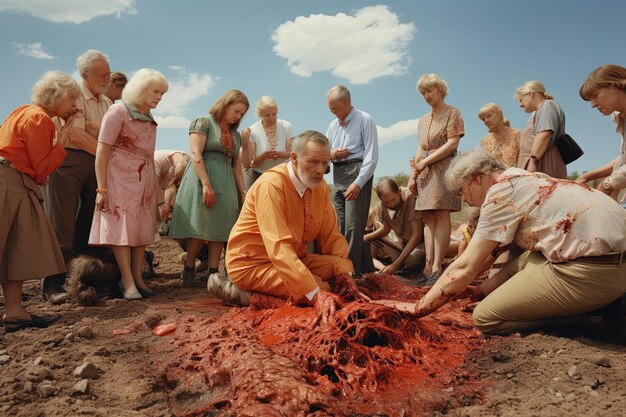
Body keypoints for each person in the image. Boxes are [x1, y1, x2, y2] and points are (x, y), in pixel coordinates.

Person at [375, 148, 626, 335]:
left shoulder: (500, 192)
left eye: (462, 190)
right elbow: (494, 254)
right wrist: (479, 290)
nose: (465, 199)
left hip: (595, 272)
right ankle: (597, 302)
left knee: (485, 318)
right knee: (527, 258)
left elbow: (466, 266)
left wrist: (419, 307)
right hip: (613, 265)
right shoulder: (526, 178)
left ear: (476, 178)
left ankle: (582, 317)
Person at [218, 130, 357, 323]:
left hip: (295, 258)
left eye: (325, 163)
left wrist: (344, 275)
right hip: (251, 264)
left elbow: (331, 235)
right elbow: (279, 248)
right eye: (313, 161)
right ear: (294, 158)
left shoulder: (320, 186)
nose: (320, 169)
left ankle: (308, 289)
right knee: (319, 290)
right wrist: (315, 294)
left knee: (342, 270)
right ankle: (238, 293)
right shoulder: (271, 185)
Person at [0, 71, 80, 331]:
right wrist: (64, 139)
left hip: (14, 181)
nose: (75, 106)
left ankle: (15, 311)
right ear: (56, 97)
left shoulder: (21, 111)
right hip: (10, 184)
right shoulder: (39, 118)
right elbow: (43, 167)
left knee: (14, 247)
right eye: (71, 99)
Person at [88, 68, 169, 300]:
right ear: (141, 89)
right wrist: (101, 188)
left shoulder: (150, 120)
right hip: (118, 177)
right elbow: (102, 151)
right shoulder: (118, 111)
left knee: (141, 229)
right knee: (121, 229)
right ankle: (127, 281)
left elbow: (150, 157)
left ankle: (138, 278)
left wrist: (157, 194)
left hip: (142, 179)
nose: (159, 98)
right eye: (156, 92)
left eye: (162, 94)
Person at [42, 49, 112, 303]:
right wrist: (108, 154)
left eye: (109, 73)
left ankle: (82, 280)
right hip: (69, 161)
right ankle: (51, 284)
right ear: (85, 75)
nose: (107, 78)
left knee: (89, 224)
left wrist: (104, 153)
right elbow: (77, 136)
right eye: (102, 74)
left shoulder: (106, 102)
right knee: (62, 222)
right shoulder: (73, 95)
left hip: (94, 163)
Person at [169, 90, 248, 287]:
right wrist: (206, 184)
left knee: (221, 228)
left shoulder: (236, 135)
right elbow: (196, 154)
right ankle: (188, 268)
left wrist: (242, 192)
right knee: (200, 227)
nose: (238, 116)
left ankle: (213, 273)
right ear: (225, 104)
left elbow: (236, 165)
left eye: (241, 114)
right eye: (236, 110)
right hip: (202, 178)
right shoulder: (203, 122)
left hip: (226, 183)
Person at [408, 73, 464, 285]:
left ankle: (437, 269)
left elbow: (452, 144)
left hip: (444, 169)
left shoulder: (453, 113)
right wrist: (414, 174)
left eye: (429, 91)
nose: (426, 95)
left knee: (441, 215)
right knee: (427, 218)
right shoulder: (422, 121)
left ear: (441, 90)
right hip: (424, 173)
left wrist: (425, 162)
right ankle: (427, 267)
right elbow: (420, 148)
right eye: (423, 93)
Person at [326, 85, 378, 274]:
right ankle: (364, 269)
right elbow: (326, 152)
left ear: (345, 101)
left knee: (353, 227)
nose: (332, 112)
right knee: (340, 226)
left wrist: (359, 182)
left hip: (357, 171)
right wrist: (332, 154)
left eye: (334, 108)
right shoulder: (332, 126)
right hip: (337, 174)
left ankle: (350, 274)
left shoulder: (365, 119)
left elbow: (372, 156)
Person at [576, 64, 626, 208]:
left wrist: (607, 184)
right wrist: (587, 177)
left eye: (595, 96)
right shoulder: (622, 119)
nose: (592, 105)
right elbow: (623, 159)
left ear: (615, 86)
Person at [364, 179, 425, 275]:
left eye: (393, 199)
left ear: (399, 191)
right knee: (368, 241)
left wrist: (395, 265)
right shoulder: (382, 205)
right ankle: (382, 268)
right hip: (402, 244)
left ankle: (450, 248)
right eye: (387, 202)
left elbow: (416, 236)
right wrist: (365, 237)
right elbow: (386, 229)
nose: (391, 204)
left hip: (420, 243)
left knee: (411, 262)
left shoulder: (411, 197)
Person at [514, 80, 567, 179]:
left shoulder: (547, 105)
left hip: (542, 163)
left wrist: (532, 166)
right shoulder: (538, 112)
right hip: (537, 163)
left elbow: (544, 135)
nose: (520, 105)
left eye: (521, 100)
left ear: (531, 94)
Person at [240, 96, 294, 189]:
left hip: (283, 173)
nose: (272, 118)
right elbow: (253, 163)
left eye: (274, 114)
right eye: (267, 115)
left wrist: (279, 154)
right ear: (260, 115)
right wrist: (264, 156)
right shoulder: (253, 131)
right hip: (259, 174)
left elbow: (290, 153)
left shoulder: (286, 126)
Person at [477, 103, 520, 167]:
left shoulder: (517, 134)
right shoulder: (485, 140)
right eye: (483, 119)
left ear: (499, 114)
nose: (486, 121)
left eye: (489, 116)